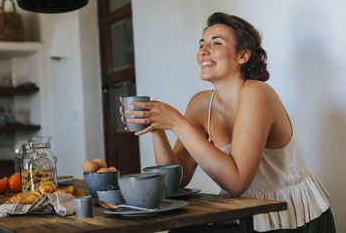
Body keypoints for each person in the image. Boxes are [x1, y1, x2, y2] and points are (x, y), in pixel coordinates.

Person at [119, 12, 336, 232]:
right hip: (245, 215)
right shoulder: (200, 104)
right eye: (201, 44)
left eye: (216, 43)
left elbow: (236, 183)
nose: (204, 51)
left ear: (242, 55)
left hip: (291, 219)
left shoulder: (258, 93)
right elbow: (175, 180)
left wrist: (176, 122)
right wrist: (157, 126)